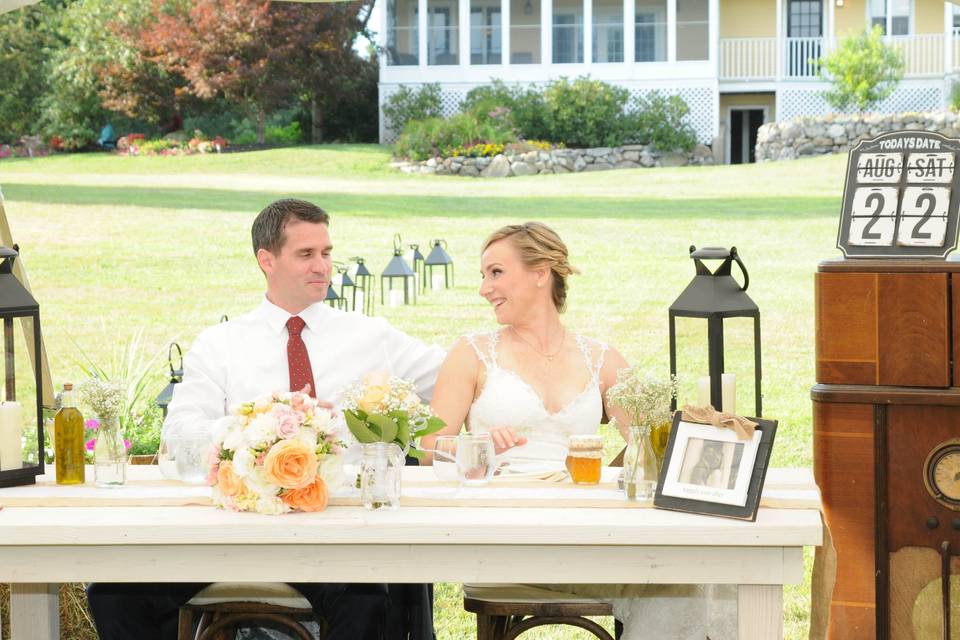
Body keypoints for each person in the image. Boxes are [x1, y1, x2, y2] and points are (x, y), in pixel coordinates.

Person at [86, 198, 445, 640]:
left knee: (372, 598)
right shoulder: (221, 344)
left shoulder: (371, 336)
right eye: (306, 254)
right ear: (266, 259)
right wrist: (258, 428)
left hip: (335, 534)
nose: (323, 266)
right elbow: (179, 435)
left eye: (327, 253)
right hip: (235, 532)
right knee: (114, 592)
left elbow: (454, 375)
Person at [423, 221, 736, 640]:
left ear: (541, 272)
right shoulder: (472, 353)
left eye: (495, 272)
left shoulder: (601, 359)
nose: (484, 288)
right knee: (682, 586)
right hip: (502, 530)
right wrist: (476, 448)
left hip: (584, 527)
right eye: (484, 275)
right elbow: (429, 451)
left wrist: (715, 426)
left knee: (709, 578)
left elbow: (660, 446)